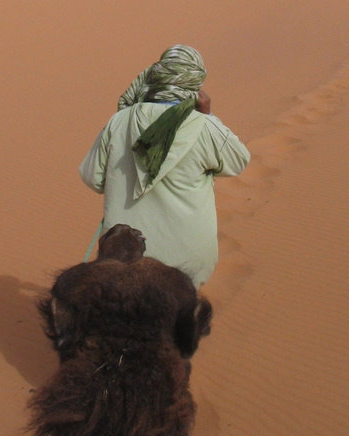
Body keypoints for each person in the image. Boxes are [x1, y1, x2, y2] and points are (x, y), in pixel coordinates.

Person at [79, 44, 250, 288]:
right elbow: (238, 160)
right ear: (196, 83)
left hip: (125, 255)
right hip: (188, 262)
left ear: (156, 76)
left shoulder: (119, 122)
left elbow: (92, 178)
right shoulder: (203, 125)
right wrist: (209, 115)